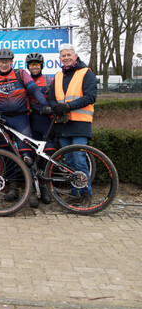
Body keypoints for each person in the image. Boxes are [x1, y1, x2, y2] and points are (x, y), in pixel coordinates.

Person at [0, 48, 51, 202]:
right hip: (2, 122)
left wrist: (44, 105)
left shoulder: (20, 74)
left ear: (12, 62)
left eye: (7, 61)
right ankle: (13, 188)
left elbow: (34, 90)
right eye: (1, 61)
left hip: (21, 119)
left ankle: (33, 190)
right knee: (8, 155)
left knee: (27, 155)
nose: (4, 64)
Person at [48, 43, 97, 208]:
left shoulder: (86, 73)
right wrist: (56, 106)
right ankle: (75, 193)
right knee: (68, 162)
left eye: (69, 55)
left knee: (79, 159)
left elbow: (91, 96)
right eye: (63, 56)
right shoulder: (58, 76)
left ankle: (86, 194)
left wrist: (68, 106)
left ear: (75, 56)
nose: (66, 58)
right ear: (59, 59)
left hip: (80, 123)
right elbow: (51, 97)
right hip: (63, 124)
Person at [25, 52, 55, 204]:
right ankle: (31, 188)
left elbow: (56, 98)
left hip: (46, 122)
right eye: (31, 65)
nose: (34, 67)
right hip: (31, 121)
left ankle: (44, 188)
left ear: (41, 65)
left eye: (37, 64)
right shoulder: (25, 80)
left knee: (46, 155)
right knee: (30, 156)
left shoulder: (50, 80)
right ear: (28, 67)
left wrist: (51, 108)